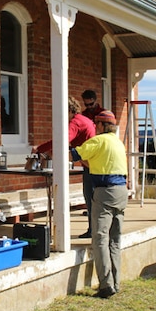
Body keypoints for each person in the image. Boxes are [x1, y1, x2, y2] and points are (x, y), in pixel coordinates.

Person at [71, 110, 127, 298]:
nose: (94, 127)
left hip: (105, 192)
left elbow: (74, 154)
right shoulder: (118, 142)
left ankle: (105, 285)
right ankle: (116, 282)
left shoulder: (98, 141)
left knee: (100, 238)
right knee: (115, 239)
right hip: (122, 192)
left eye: (96, 124)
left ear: (103, 125)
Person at [32, 96, 96, 238]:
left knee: (90, 198)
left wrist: (39, 149)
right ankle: (95, 229)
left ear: (69, 110)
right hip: (94, 162)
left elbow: (61, 140)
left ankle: (94, 230)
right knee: (93, 198)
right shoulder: (83, 119)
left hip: (91, 164)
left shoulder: (75, 123)